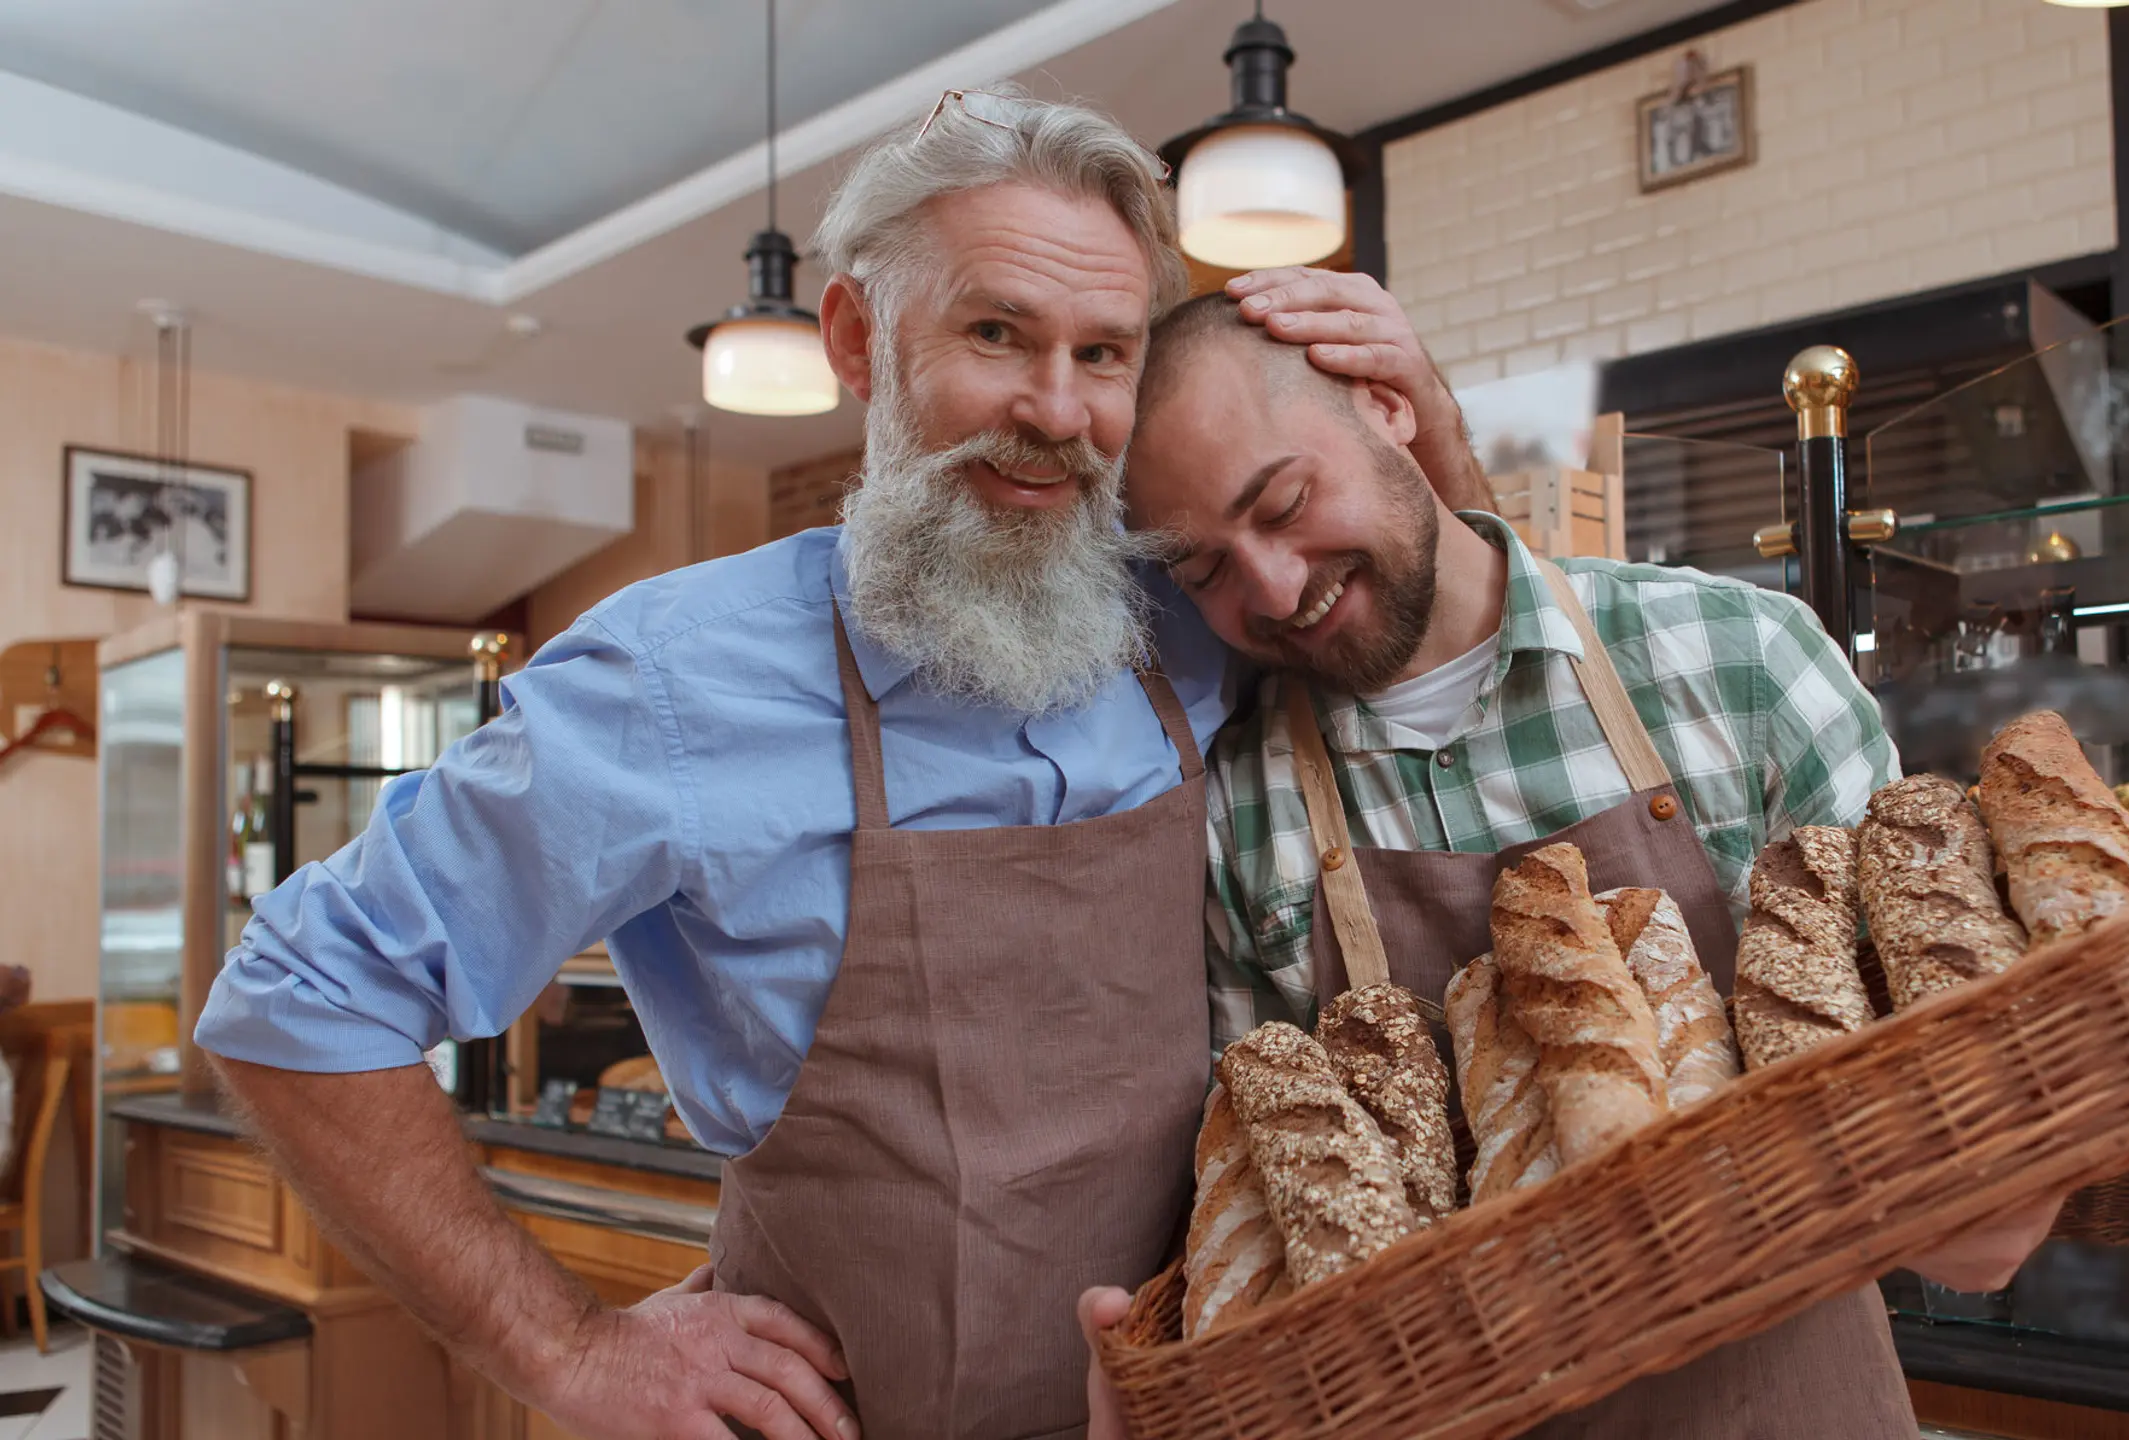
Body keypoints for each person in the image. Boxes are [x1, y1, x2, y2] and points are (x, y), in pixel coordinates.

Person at [195, 91, 1474, 1440]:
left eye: (1104, 355)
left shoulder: (1183, 617)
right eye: (997, 333)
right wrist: (566, 1349)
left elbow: (1454, 655)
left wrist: (1424, 425)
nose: (1057, 409)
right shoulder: (672, 682)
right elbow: (301, 996)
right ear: (859, 339)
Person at [1094, 296, 2065, 1436]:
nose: (1268, 586)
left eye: (1287, 504)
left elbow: (1961, 1113)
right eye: (1205, 569)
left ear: (1390, 407)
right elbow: (1277, 1227)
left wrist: (1991, 1166)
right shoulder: (1235, 812)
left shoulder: (1738, 661)